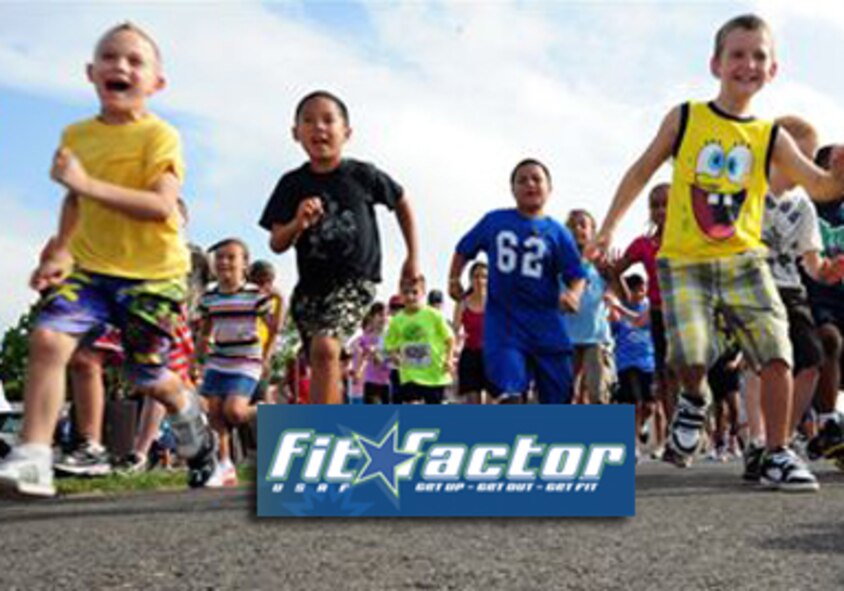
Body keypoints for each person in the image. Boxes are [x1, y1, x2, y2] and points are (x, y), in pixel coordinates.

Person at [589, 14, 844, 491]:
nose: (748, 64)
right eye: (737, 54)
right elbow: (643, 170)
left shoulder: (771, 136)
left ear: (773, 71)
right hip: (685, 259)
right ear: (716, 64)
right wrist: (607, 227)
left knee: (776, 350)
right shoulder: (687, 118)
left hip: (746, 261)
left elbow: (821, 187)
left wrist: (840, 173)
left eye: (759, 56)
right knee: (691, 354)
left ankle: (776, 452)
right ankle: (691, 399)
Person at [0, 22, 217, 497]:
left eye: (135, 61)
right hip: (92, 272)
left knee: (146, 374)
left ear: (157, 82)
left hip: (152, 280)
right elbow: (75, 202)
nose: (121, 66)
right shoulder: (77, 135)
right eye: (110, 57)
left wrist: (84, 184)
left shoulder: (160, 137)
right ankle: (34, 453)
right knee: (48, 338)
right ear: (91, 72)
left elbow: (161, 205)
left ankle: (195, 430)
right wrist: (60, 248)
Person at [259, 90, 419, 405]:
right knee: (322, 361)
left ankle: (325, 433)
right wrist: (297, 223)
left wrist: (412, 257)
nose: (319, 127)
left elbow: (401, 201)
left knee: (325, 349)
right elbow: (277, 243)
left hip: (354, 283)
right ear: (295, 133)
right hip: (310, 291)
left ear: (346, 132)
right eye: (308, 120)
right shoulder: (291, 184)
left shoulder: (362, 175)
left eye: (328, 120)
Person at [448, 159, 586, 404]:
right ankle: (513, 435)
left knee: (560, 397)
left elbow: (576, 274)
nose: (529, 184)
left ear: (549, 188)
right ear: (512, 189)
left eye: (536, 179)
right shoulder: (494, 221)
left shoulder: (558, 233)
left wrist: (574, 294)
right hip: (505, 325)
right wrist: (454, 278)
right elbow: (463, 249)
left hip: (547, 326)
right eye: (522, 180)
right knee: (508, 392)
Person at [196, 238, 271, 487]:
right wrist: (194, 360)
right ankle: (225, 466)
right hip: (218, 360)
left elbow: (274, 327)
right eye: (219, 257)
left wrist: (267, 355)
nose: (224, 262)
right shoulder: (209, 297)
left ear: (245, 264)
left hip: (245, 361)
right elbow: (205, 332)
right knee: (215, 412)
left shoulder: (254, 295)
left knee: (235, 412)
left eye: (231, 257)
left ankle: (266, 411)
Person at [615, 183, 672, 455]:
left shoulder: (690, 240)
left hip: (688, 311)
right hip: (660, 314)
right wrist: (610, 273)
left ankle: (688, 420)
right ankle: (674, 437)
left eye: (666, 204)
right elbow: (618, 277)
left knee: (690, 367)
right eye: (655, 205)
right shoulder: (643, 244)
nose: (661, 210)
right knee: (667, 374)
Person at [804, 145, 844, 464]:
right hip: (815, 298)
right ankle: (829, 421)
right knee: (829, 340)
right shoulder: (804, 209)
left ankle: (825, 436)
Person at [565, 209, 615, 405]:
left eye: (582, 225)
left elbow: (614, 289)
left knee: (597, 394)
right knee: (565, 393)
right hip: (567, 338)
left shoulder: (600, 263)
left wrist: (611, 291)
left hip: (595, 337)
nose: (577, 229)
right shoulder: (561, 261)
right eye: (572, 226)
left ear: (593, 232)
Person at [385, 275, 455, 404]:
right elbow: (389, 344)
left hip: (434, 374)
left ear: (423, 292)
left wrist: (449, 359)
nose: (410, 296)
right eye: (406, 292)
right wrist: (394, 355)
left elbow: (450, 338)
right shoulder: (397, 320)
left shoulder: (434, 315)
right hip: (410, 374)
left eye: (415, 292)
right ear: (400, 294)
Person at [608, 274, 656, 460]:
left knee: (650, 406)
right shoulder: (619, 310)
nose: (641, 293)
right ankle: (633, 445)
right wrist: (612, 318)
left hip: (648, 363)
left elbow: (645, 323)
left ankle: (643, 424)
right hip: (626, 363)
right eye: (637, 289)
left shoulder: (648, 309)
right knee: (634, 405)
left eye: (643, 289)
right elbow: (612, 332)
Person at [452, 262, 492, 404]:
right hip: (470, 355)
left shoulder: (496, 303)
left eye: (484, 277)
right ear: (470, 279)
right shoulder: (462, 303)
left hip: (492, 356)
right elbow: (454, 332)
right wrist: (450, 356)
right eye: (476, 276)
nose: (480, 280)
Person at [248, 259, 284, 404]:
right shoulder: (247, 296)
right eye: (260, 282)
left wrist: (266, 358)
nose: (265, 287)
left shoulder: (272, 301)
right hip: (242, 354)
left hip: (260, 355)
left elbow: (275, 331)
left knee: (260, 398)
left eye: (268, 282)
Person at [349, 302, 391, 405]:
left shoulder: (391, 337)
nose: (384, 318)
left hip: (388, 383)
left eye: (386, 315)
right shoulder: (364, 339)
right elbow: (363, 357)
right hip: (371, 382)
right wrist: (358, 371)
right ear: (372, 317)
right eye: (380, 315)